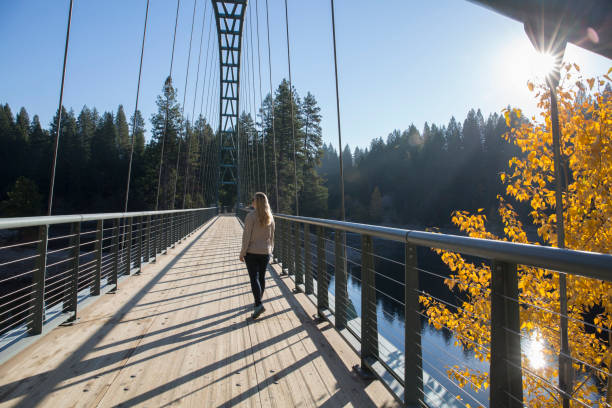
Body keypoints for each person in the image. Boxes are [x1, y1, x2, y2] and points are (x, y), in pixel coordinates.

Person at [240, 192, 275, 319]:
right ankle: (257, 301)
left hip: (252, 252)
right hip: (265, 252)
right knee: (261, 277)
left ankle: (258, 304)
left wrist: (242, 252)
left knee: (253, 278)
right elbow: (272, 237)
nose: (251, 201)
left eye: (253, 199)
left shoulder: (250, 216)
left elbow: (246, 237)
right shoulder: (270, 217)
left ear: (257, 202)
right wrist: (270, 250)